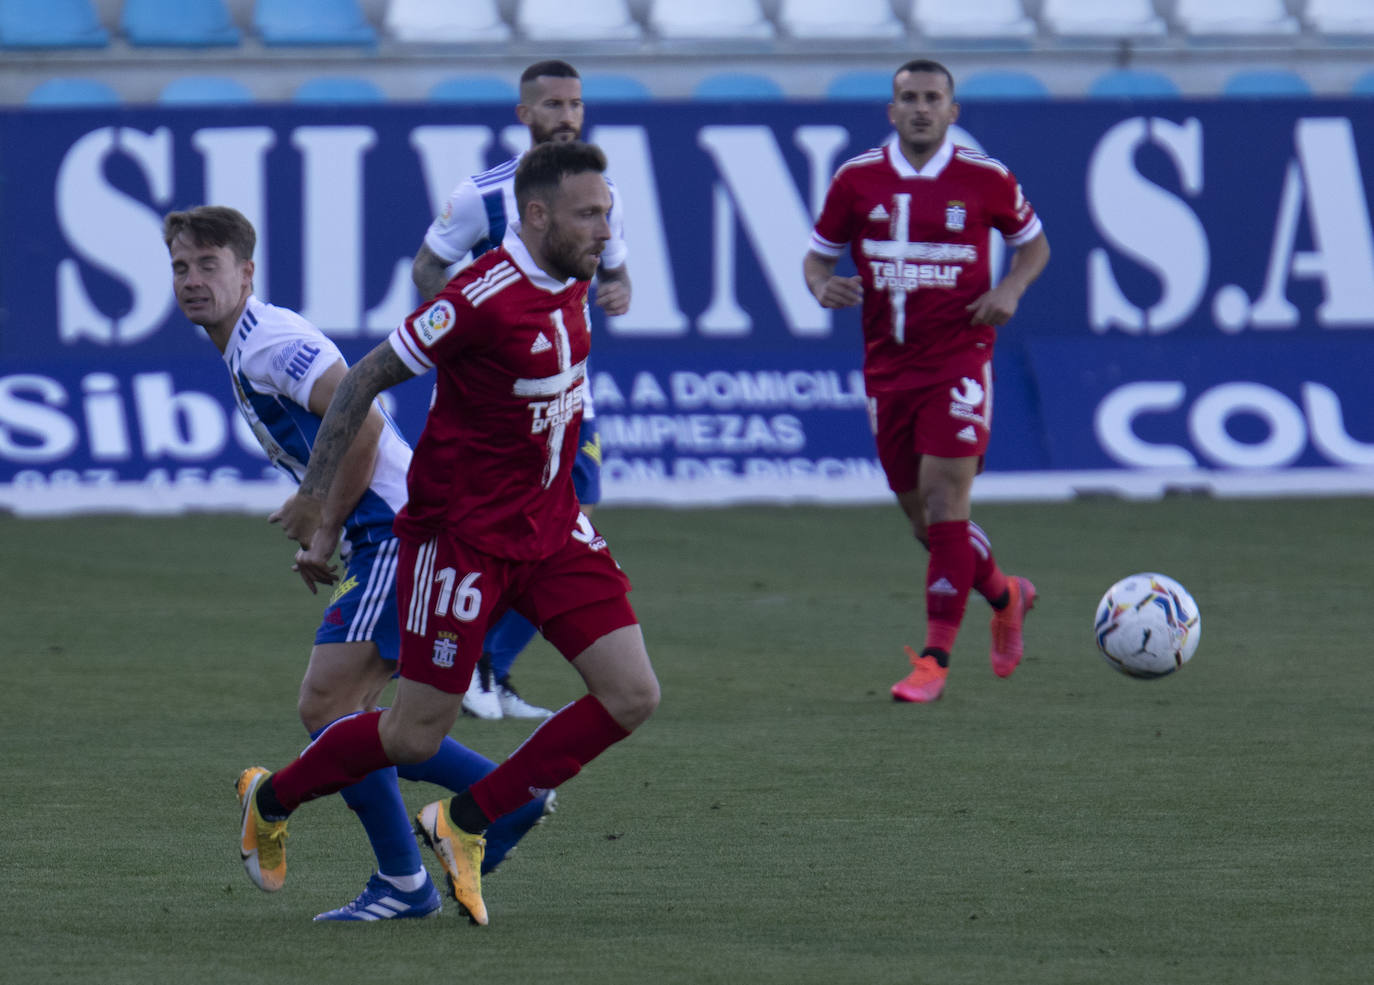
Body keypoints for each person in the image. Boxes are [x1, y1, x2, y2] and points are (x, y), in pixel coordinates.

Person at [241, 141, 660, 927]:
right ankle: (272, 795)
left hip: (552, 526)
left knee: (633, 693)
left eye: (608, 213)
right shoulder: (478, 299)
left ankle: (465, 821)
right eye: (589, 216)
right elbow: (363, 379)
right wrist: (316, 499)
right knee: (411, 733)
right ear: (536, 217)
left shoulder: (570, 276)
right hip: (462, 541)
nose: (605, 232)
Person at [164, 206, 553, 922]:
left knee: (329, 706)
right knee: (372, 720)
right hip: (390, 530)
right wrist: (324, 534)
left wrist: (325, 518)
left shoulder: (269, 341)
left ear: (247, 273)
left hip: (396, 528)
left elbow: (367, 422)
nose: (193, 281)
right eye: (181, 267)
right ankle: (502, 800)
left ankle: (414, 872)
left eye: (209, 265)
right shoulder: (243, 349)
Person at [803, 59, 1051, 703]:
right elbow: (816, 257)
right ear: (891, 111)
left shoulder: (985, 178)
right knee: (925, 525)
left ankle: (934, 660)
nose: (920, 107)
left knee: (946, 506)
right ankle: (1005, 593)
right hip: (889, 370)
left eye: (932, 97)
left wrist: (1011, 289)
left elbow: (1035, 246)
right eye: (908, 97)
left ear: (951, 111)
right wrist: (821, 286)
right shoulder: (857, 180)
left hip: (960, 358)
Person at [413, 59, 632, 722]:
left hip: (567, 396)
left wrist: (617, 289)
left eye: (576, 104)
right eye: (553, 105)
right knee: (500, 532)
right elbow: (428, 266)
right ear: (524, 115)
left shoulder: (600, 190)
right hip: (495, 409)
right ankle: (458, 666)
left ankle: (490, 668)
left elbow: (615, 275)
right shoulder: (481, 195)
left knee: (571, 517)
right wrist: (467, 343)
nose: (567, 116)